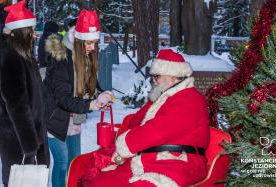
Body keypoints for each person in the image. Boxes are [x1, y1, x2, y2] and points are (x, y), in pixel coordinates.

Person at [90, 49, 210, 187]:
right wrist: (152, 101)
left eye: (157, 76)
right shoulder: (163, 97)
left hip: (177, 162)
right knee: (103, 182)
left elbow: (159, 130)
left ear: (172, 76)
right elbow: (135, 123)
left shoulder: (190, 98)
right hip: (149, 160)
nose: (154, 81)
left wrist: (125, 145)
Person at [43, 10, 113, 187]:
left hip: (75, 117)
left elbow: (92, 87)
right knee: (62, 162)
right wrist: (93, 104)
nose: (92, 47)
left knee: (75, 161)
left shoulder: (86, 58)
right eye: (89, 43)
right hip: (54, 118)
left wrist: (101, 96)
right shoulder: (61, 58)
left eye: (94, 43)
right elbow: (63, 99)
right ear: (80, 40)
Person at [0, 1, 50, 186]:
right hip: (20, 142)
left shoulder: (20, 54)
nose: (35, 34)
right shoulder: (9, 58)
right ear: (20, 32)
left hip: (31, 137)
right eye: (31, 30)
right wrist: (30, 147)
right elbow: (17, 107)